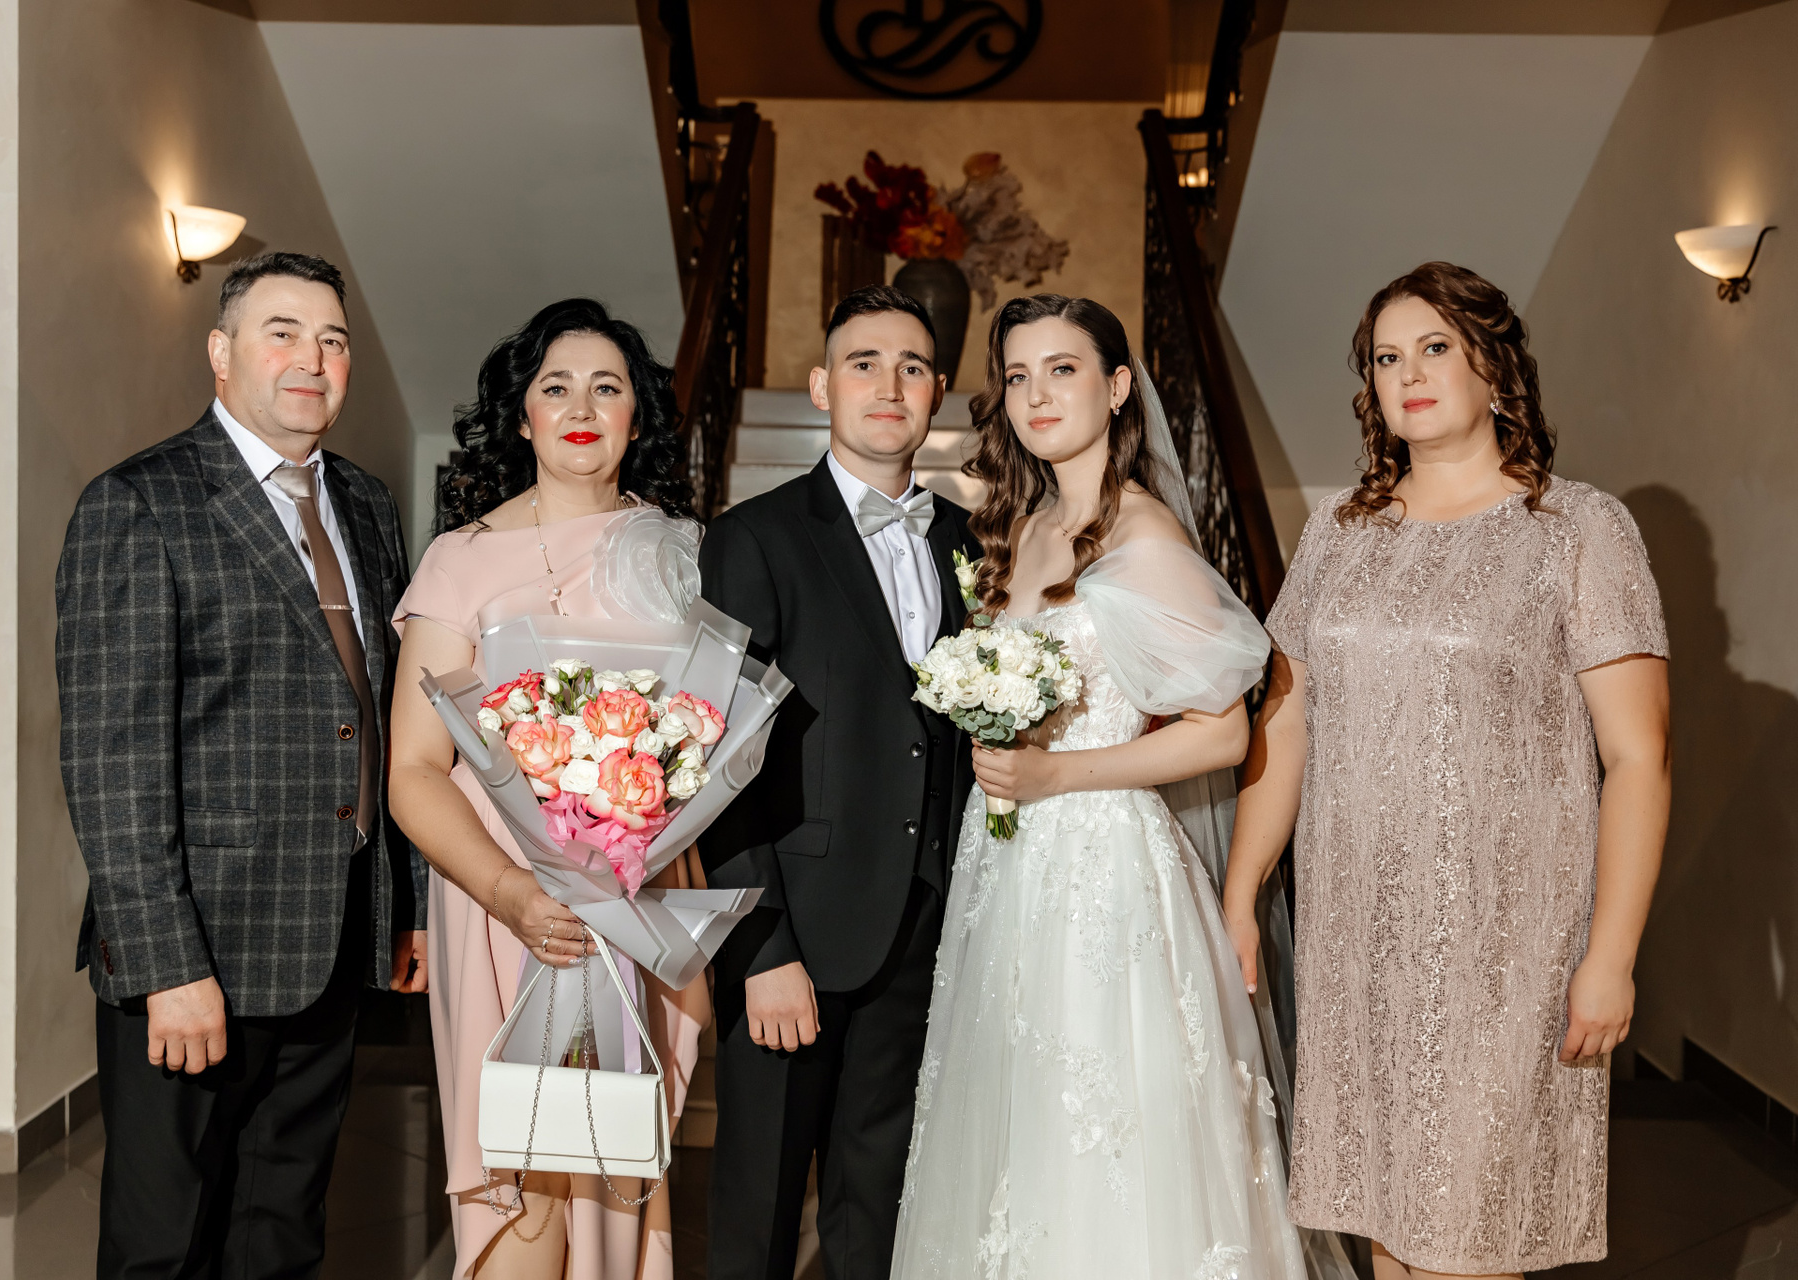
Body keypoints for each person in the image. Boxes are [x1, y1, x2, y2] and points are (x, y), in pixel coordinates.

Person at [1221, 262, 1672, 1280]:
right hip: (1356, 940)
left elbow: (1639, 755)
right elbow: (1285, 720)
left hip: (1504, 944)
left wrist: (1610, 955)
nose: (1409, 374)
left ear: (1495, 370)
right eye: (1387, 358)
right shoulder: (1338, 530)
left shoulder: (1578, 528)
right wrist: (1243, 890)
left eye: (1435, 348)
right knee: (1388, 1227)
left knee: (1470, 1231)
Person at [887, 293, 1307, 1278]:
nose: (1036, 394)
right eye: (1018, 375)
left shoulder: (1141, 535)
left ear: (1118, 388)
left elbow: (1223, 729)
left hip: (1104, 870)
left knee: (1102, 1127)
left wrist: (1053, 772)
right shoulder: (1026, 523)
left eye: (1063, 369)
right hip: (1009, 864)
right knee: (1012, 1126)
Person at [56, 251, 427, 1279]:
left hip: (332, 944)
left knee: (281, 1234)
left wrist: (405, 904)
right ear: (220, 353)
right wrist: (168, 966)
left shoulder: (366, 504)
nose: (313, 359)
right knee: (163, 1248)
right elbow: (112, 759)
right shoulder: (140, 503)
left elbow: (383, 716)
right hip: (198, 955)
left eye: (334, 340)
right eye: (283, 333)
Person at [388, 298, 711, 1280]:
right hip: (504, 902)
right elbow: (413, 769)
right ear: (522, 416)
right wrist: (511, 893)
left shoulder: (682, 551)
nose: (580, 406)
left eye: (607, 387)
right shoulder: (462, 559)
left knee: (618, 1168)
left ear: (637, 417)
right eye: (555, 386)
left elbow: (704, 733)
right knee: (524, 1181)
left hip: (640, 896)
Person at [698, 285, 979, 1280]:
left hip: (922, 924)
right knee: (759, 1217)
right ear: (822, 386)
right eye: (864, 362)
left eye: (913, 366)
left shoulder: (968, 542)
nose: (889, 384)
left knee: (881, 1216)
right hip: (797, 935)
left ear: (938, 392)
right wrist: (761, 945)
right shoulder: (754, 537)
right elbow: (715, 760)